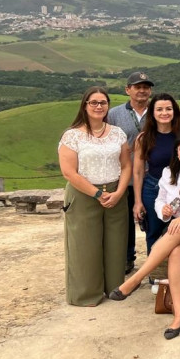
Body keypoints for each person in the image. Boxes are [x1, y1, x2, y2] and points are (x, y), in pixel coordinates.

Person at [110, 131, 180, 340]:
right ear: (177, 153)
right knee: (177, 252)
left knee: (178, 230)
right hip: (175, 229)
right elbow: (160, 200)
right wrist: (163, 210)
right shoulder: (167, 173)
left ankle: (136, 279)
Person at [58, 87, 131, 306]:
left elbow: (126, 165)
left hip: (116, 193)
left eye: (103, 102)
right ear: (85, 105)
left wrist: (119, 191)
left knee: (116, 244)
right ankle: (86, 295)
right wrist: (97, 193)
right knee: (84, 245)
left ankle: (114, 289)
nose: (99, 106)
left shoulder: (117, 133)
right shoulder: (72, 136)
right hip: (83, 195)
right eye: (94, 102)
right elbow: (69, 172)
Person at [107, 71, 153, 273]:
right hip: (125, 177)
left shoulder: (159, 110)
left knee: (154, 220)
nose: (142, 90)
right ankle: (127, 259)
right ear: (128, 90)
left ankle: (155, 260)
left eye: (146, 86)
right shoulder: (114, 114)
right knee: (124, 222)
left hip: (153, 176)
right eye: (137, 86)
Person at [132, 93, 180, 255]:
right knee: (154, 233)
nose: (164, 113)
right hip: (153, 188)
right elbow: (138, 171)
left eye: (168, 109)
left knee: (179, 232)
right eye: (159, 109)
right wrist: (138, 201)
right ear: (152, 113)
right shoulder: (144, 138)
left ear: (175, 111)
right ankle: (155, 275)